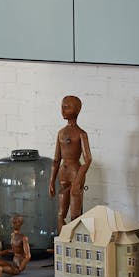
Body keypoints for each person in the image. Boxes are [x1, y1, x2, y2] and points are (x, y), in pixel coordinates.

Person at [49, 95, 92, 233]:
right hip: (63, 172)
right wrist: (51, 181)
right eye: (62, 106)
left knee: (75, 214)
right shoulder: (61, 133)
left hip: (75, 172)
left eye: (67, 106)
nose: (63, 109)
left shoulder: (81, 134)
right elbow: (56, 159)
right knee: (61, 213)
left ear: (77, 110)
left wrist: (78, 181)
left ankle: (74, 243)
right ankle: (63, 241)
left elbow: (88, 159)